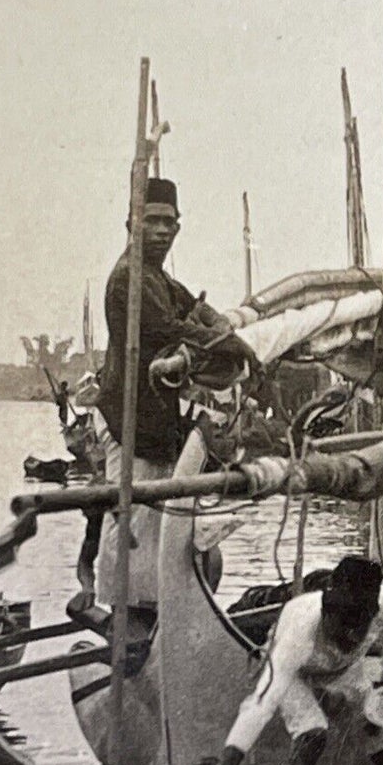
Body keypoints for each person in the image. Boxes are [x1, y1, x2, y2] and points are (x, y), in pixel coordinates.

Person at [91, 176, 256, 614]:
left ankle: (152, 610)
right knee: (137, 518)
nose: (163, 231)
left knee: (160, 519)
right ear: (133, 224)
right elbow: (172, 328)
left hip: (155, 416)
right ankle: (124, 614)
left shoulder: (158, 278)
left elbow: (193, 309)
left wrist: (224, 324)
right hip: (129, 415)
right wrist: (228, 344)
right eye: (153, 221)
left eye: (170, 223)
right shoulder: (129, 279)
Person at [196, 556, 383, 765]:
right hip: (296, 672)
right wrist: (232, 756)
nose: (351, 636)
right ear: (327, 612)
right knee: (312, 733)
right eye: (343, 626)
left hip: (342, 669)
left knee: (377, 733)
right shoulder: (300, 632)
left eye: (359, 627)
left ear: (372, 613)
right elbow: (264, 698)